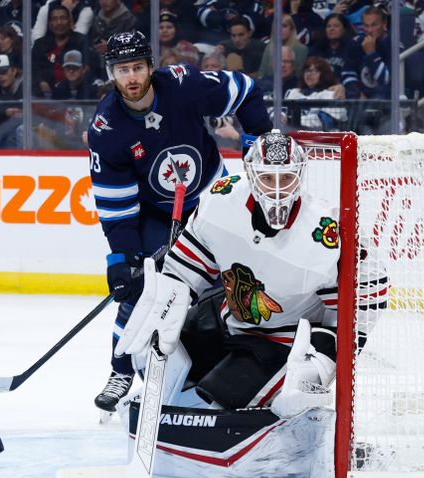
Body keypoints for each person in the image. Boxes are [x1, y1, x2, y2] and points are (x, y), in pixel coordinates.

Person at [88, 30, 271, 417]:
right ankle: (121, 371)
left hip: (215, 198)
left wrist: (257, 142)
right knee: (141, 290)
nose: (132, 77)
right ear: (112, 74)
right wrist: (123, 259)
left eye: (138, 67)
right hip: (157, 212)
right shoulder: (107, 129)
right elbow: (115, 204)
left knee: (241, 279)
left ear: (151, 67)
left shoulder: (184, 86)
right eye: (123, 70)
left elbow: (247, 90)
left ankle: (246, 365)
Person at [112, 130, 345, 417]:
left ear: (300, 175)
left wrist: (324, 358)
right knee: (156, 357)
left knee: (223, 394)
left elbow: (358, 304)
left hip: (282, 342)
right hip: (230, 321)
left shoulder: (321, 233)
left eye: (285, 178)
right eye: (267, 178)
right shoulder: (222, 199)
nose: (276, 190)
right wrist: (165, 299)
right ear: (249, 173)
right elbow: (186, 268)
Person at [284, 56, 347, 129]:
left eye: (314, 71)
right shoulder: (293, 92)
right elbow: (282, 112)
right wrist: (281, 117)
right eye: (307, 70)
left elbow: (324, 121)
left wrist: (294, 120)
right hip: (293, 135)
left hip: (321, 138)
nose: (309, 74)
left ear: (324, 74)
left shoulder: (332, 94)